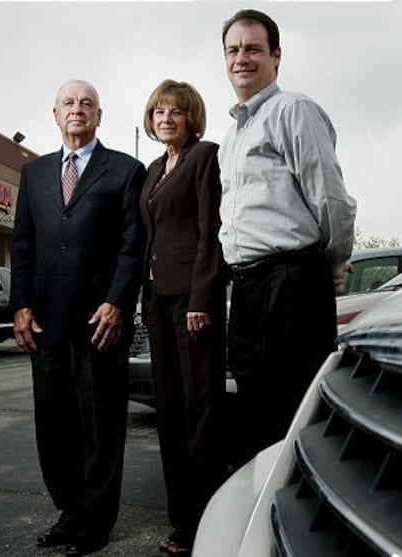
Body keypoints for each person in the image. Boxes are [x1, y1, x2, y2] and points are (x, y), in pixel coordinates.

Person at [10, 79, 146, 556]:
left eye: (86, 103)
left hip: (99, 322)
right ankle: (69, 513)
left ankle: (95, 523)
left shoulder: (126, 171)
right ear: (55, 114)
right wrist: (20, 305)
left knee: (100, 428)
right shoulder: (34, 174)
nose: (77, 109)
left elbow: (133, 245)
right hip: (45, 323)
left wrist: (117, 301)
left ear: (99, 116)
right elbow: (22, 244)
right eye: (69, 102)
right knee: (55, 427)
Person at [219, 10, 358, 462]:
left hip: (291, 283)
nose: (242, 58)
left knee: (295, 414)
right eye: (234, 50)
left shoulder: (292, 110)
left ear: (276, 56)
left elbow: (330, 198)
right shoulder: (231, 136)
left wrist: (333, 262)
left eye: (253, 49)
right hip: (247, 286)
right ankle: (261, 521)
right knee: (256, 416)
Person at [140, 80, 227, 555]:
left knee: (200, 413)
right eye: (158, 112)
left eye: (175, 111)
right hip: (156, 300)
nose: (166, 119)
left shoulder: (205, 157)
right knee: (170, 412)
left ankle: (208, 524)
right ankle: (182, 523)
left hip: (193, 304)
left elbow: (210, 232)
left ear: (192, 116)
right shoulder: (154, 168)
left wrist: (200, 299)